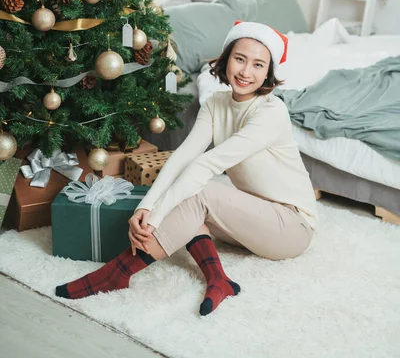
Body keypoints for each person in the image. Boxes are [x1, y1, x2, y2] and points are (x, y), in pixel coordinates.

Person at [56, 21, 317, 316]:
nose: (246, 72)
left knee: (198, 193)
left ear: (268, 73)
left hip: (291, 227)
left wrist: (155, 220)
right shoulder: (216, 103)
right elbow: (183, 157)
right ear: (226, 58)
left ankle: (118, 273)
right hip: (253, 219)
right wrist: (147, 206)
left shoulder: (272, 113)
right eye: (240, 59)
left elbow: (208, 163)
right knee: (187, 206)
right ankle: (219, 279)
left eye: (258, 65)